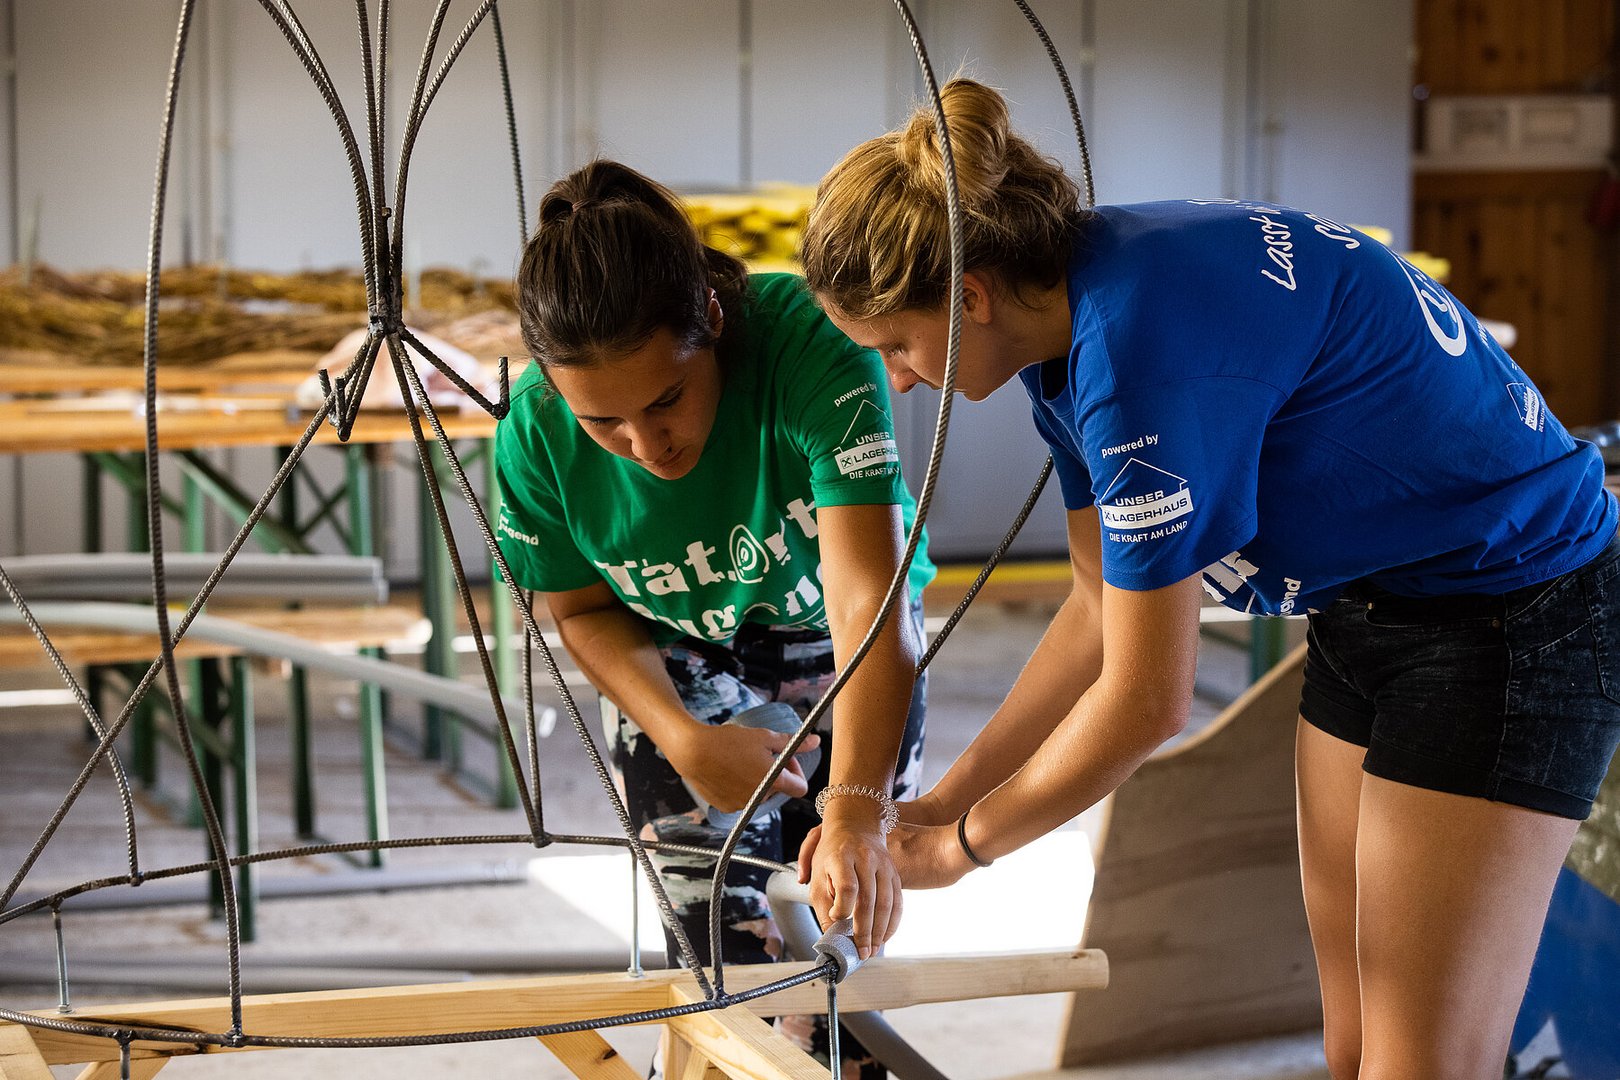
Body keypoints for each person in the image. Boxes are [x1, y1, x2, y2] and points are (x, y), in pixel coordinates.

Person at [797, 78, 1620, 1079]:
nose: (897, 376)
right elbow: (1099, 609)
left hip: (1513, 609)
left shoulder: (1135, 354)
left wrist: (963, 849)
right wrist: (934, 805)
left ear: (969, 298)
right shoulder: (1068, 311)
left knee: (1422, 1064)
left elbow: (1147, 701)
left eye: (895, 343)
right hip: (1373, 602)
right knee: (1357, 1048)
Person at [493, 159, 933, 1076]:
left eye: (666, 400)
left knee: (839, 963)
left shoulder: (811, 342)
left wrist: (857, 810)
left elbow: (869, 600)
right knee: (722, 969)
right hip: (678, 655)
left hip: (845, 639)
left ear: (714, 320)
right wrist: (682, 736)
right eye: (603, 423)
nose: (646, 445)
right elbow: (580, 609)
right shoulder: (531, 432)